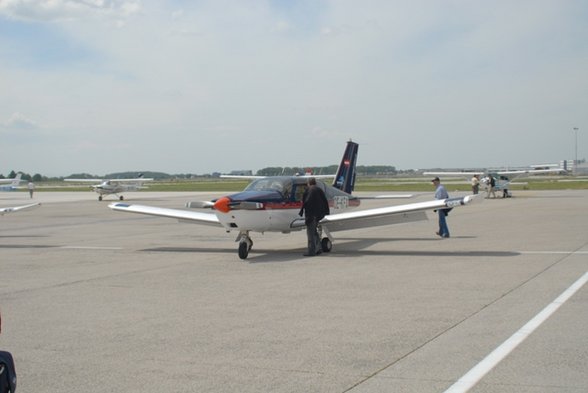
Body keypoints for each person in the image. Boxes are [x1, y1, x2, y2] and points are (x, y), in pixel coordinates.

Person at [299, 177, 330, 256]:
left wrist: (302, 212)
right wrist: (325, 213)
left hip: (311, 215)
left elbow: (307, 203)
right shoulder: (319, 190)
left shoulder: (309, 190)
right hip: (318, 215)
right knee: (314, 232)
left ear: (308, 183)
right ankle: (318, 248)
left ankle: (311, 251)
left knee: (310, 234)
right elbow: (325, 201)